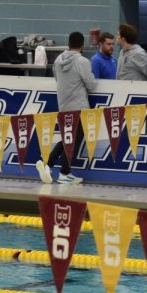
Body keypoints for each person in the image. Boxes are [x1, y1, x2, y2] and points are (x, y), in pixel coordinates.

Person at [37, 30, 99, 185]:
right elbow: (91, 85)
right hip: (79, 106)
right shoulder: (82, 62)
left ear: (68, 43)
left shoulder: (58, 60)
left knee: (68, 139)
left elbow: (57, 79)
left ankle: (50, 165)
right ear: (82, 45)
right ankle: (63, 172)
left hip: (64, 106)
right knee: (73, 140)